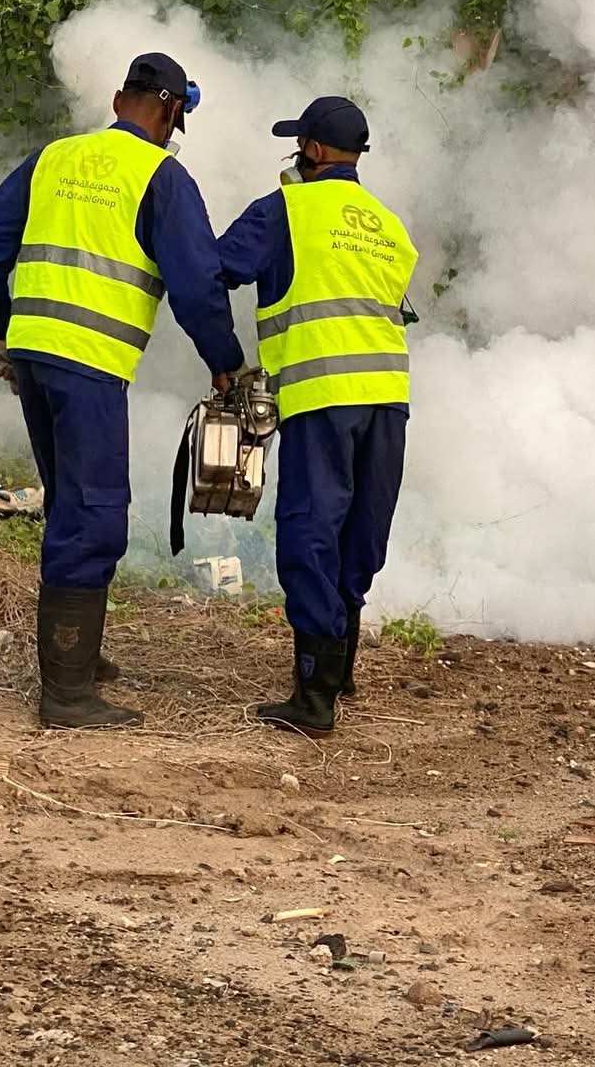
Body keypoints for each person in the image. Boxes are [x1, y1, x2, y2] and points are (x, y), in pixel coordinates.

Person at [0, 53, 242, 728]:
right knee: (93, 514)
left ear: (120, 100)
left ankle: (76, 659)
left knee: (69, 501)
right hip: (88, 362)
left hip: (33, 354)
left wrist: (1, 330)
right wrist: (225, 361)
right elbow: (198, 285)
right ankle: (66, 694)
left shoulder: (51, 158)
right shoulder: (162, 177)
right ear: (171, 114)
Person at [216, 96, 417, 735]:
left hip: (320, 398)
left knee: (310, 530)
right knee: (362, 533)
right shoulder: (387, 224)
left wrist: (222, 354)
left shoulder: (285, 210)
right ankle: (340, 668)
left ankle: (313, 695)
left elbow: (219, 265)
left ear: (314, 150)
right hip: (387, 401)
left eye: (298, 144)